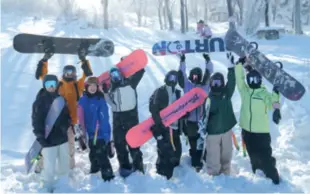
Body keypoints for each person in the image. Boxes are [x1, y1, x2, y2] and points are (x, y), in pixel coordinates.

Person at [35, 50, 93, 169]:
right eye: (67, 72)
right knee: (46, 146)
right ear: (63, 73)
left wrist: (83, 59)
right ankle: (39, 166)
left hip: (70, 123)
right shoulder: (58, 84)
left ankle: (70, 168)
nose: (69, 74)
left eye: (72, 72)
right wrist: (45, 60)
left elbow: (87, 74)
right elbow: (44, 77)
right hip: (53, 122)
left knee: (70, 147)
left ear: (75, 74)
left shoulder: (78, 85)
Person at [235, 56, 281, 184]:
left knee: (265, 156)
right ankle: (258, 174)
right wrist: (239, 65)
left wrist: (277, 105)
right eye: (251, 78)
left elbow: (273, 102)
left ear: (260, 80)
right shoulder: (245, 92)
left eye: (256, 79)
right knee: (253, 155)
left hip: (261, 132)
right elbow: (239, 80)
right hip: (247, 130)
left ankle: (273, 177)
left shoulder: (263, 93)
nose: (253, 81)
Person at [102, 62, 145, 177]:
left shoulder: (130, 82)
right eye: (113, 75)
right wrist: (105, 93)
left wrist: (133, 64)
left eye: (116, 73)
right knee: (119, 143)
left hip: (131, 117)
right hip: (118, 118)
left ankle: (138, 165)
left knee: (134, 143)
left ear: (120, 74)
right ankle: (125, 166)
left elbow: (140, 71)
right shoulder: (111, 89)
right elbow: (111, 103)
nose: (115, 76)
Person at [32, 74, 71, 192]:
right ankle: (46, 186)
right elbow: (36, 121)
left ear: (56, 85)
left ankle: (63, 184)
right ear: (44, 85)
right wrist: (40, 136)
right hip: (48, 140)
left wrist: (65, 125)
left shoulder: (61, 99)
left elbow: (67, 116)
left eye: (53, 84)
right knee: (49, 166)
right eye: (48, 84)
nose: (51, 87)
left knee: (64, 163)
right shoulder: (39, 102)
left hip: (62, 138)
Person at [178, 53, 213, 171]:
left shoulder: (205, 86)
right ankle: (195, 158)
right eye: (193, 76)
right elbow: (181, 76)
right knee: (193, 139)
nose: (195, 78)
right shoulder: (187, 86)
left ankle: (202, 155)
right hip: (191, 120)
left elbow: (209, 72)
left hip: (202, 120)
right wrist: (182, 61)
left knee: (202, 140)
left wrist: (208, 60)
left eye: (197, 76)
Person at [205, 53, 237, 176]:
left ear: (222, 83)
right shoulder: (208, 98)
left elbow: (232, 82)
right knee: (213, 155)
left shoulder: (226, 94)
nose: (216, 85)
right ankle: (214, 174)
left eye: (218, 83)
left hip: (226, 131)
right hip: (213, 133)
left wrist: (230, 67)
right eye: (214, 83)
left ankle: (226, 173)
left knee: (226, 154)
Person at [78, 77, 114, 181]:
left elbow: (105, 118)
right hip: (90, 133)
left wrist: (107, 134)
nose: (93, 88)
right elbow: (81, 118)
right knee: (93, 153)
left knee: (102, 155)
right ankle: (95, 171)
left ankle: (108, 176)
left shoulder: (100, 99)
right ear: (86, 87)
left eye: (95, 86)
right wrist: (82, 134)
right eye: (91, 86)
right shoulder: (83, 100)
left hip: (100, 133)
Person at [149, 70, 182, 180]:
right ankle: (163, 174)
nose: (172, 80)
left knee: (176, 151)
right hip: (165, 126)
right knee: (165, 151)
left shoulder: (177, 92)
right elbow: (154, 109)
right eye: (170, 78)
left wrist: (184, 116)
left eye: (175, 78)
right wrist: (159, 125)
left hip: (175, 126)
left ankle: (175, 170)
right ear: (167, 78)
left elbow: (181, 108)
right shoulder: (161, 91)